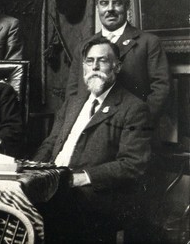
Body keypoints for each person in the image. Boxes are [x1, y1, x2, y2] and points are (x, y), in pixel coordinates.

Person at [34, 37, 152, 242]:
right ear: (83, 67)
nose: (95, 66)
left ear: (117, 66)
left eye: (103, 60)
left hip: (92, 195)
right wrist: (33, 170)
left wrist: (82, 177)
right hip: (54, 184)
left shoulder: (133, 108)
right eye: (89, 61)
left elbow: (133, 164)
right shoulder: (73, 103)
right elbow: (51, 143)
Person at [65, 0, 170, 126]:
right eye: (104, 3)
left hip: (132, 130)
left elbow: (161, 90)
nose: (110, 9)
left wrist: (138, 124)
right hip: (89, 130)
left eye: (117, 3)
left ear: (127, 6)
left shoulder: (148, 43)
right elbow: (73, 92)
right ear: (97, 8)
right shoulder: (83, 46)